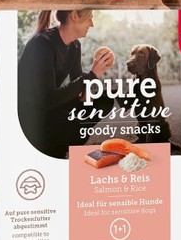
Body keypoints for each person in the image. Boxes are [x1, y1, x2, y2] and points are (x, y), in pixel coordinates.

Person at [18, 9, 114, 158]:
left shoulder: (75, 46)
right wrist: (91, 75)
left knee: (105, 99)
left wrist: (95, 73)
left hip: (50, 107)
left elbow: (80, 93)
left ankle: (63, 141)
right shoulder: (42, 43)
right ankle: (53, 144)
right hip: (32, 116)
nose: (92, 24)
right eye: (89, 18)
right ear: (74, 16)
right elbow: (48, 99)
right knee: (71, 118)